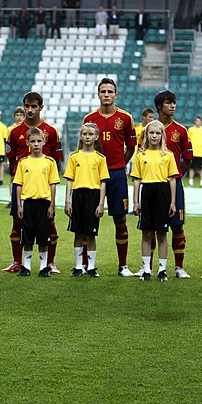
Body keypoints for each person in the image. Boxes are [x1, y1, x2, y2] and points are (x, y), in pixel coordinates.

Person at [4, 93, 63, 274]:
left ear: (40, 107)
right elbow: (11, 158)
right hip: (23, 186)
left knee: (48, 223)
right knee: (17, 222)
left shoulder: (50, 131)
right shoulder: (14, 132)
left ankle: (49, 263)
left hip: (43, 188)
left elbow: (57, 159)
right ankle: (17, 261)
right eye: (27, 106)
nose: (30, 110)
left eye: (34, 106)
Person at [83, 78, 137, 276]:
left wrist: (120, 164)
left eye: (110, 91)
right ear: (98, 94)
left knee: (120, 219)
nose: (106, 94)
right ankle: (86, 265)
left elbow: (131, 146)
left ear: (116, 94)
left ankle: (123, 266)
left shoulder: (125, 118)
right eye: (103, 91)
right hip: (92, 176)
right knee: (88, 220)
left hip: (116, 174)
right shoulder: (89, 119)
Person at [154, 90, 194, 279]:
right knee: (152, 227)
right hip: (152, 184)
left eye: (174, 103)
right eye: (169, 103)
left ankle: (179, 267)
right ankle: (149, 266)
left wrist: (177, 175)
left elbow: (188, 158)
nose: (173, 106)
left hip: (174, 185)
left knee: (177, 226)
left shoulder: (181, 131)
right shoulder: (149, 130)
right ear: (160, 106)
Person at [132, 121, 178, 281]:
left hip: (162, 193)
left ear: (162, 136)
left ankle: (162, 270)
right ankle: (146, 269)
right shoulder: (140, 156)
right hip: (146, 192)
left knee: (162, 233)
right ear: (146, 135)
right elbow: (137, 180)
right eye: (151, 133)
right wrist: (135, 202)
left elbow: (172, 179)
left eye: (157, 133)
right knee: (146, 233)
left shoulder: (168, 155)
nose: (154, 136)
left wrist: (172, 202)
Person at [13, 128, 60, 277]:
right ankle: (26, 267)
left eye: (39, 141)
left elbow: (53, 185)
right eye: (32, 141)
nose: (36, 144)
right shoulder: (23, 162)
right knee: (27, 237)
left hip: (44, 204)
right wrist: (19, 205)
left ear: (44, 141)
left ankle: (43, 267)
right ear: (27, 143)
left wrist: (52, 205)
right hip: (28, 203)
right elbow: (18, 185)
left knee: (43, 238)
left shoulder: (50, 162)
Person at [64, 123, 109, 278]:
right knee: (77, 233)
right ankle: (78, 266)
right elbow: (69, 180)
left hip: (93, 196)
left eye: (90, 134)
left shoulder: (100, 158)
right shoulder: (74, 157)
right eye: (84, 134)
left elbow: (103, 182)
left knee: (91, 234)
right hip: (77, 196)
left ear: (96, 137)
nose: (87, 137)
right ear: (81, 136)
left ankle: (91, 266)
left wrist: (101, 203)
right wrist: (67, 201)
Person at [187, 115, 202, 187]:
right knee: (191, 167)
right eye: (197, 121)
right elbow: (188, 141)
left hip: (200, 153)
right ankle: (190, 182)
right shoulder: (190, 130)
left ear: (201, 122)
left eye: (199, 121)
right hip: (193, 152)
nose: (198, 122)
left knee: (201, 168)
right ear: (195, 121)